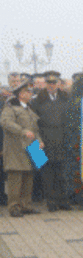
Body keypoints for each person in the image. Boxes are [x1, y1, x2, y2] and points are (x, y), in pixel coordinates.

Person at [31, 70, 71, 211]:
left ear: (59, 84)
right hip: (43, 141)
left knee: (62, 172)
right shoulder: (37, 100)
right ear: (45, 84)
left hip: (62, 139)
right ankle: (51, 202)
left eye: (54, 83)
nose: (51, 85)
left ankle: (63, 201)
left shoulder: (66, 98)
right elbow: (33, 123)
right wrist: (36, 143)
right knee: (46, 174)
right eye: (49, 83)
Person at [2, 80, 42, 217]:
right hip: (16, 149)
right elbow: (5, 123)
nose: (30, 94)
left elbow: (35, 129)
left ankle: (26, 205)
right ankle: (14, 207)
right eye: (27, 91)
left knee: (29, 178)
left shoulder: (29, 109)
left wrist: (40, 141)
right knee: (16, 179)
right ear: (20, 94)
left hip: (32, 147)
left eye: (30, 91)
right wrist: (22, 131)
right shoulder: (10, 108)